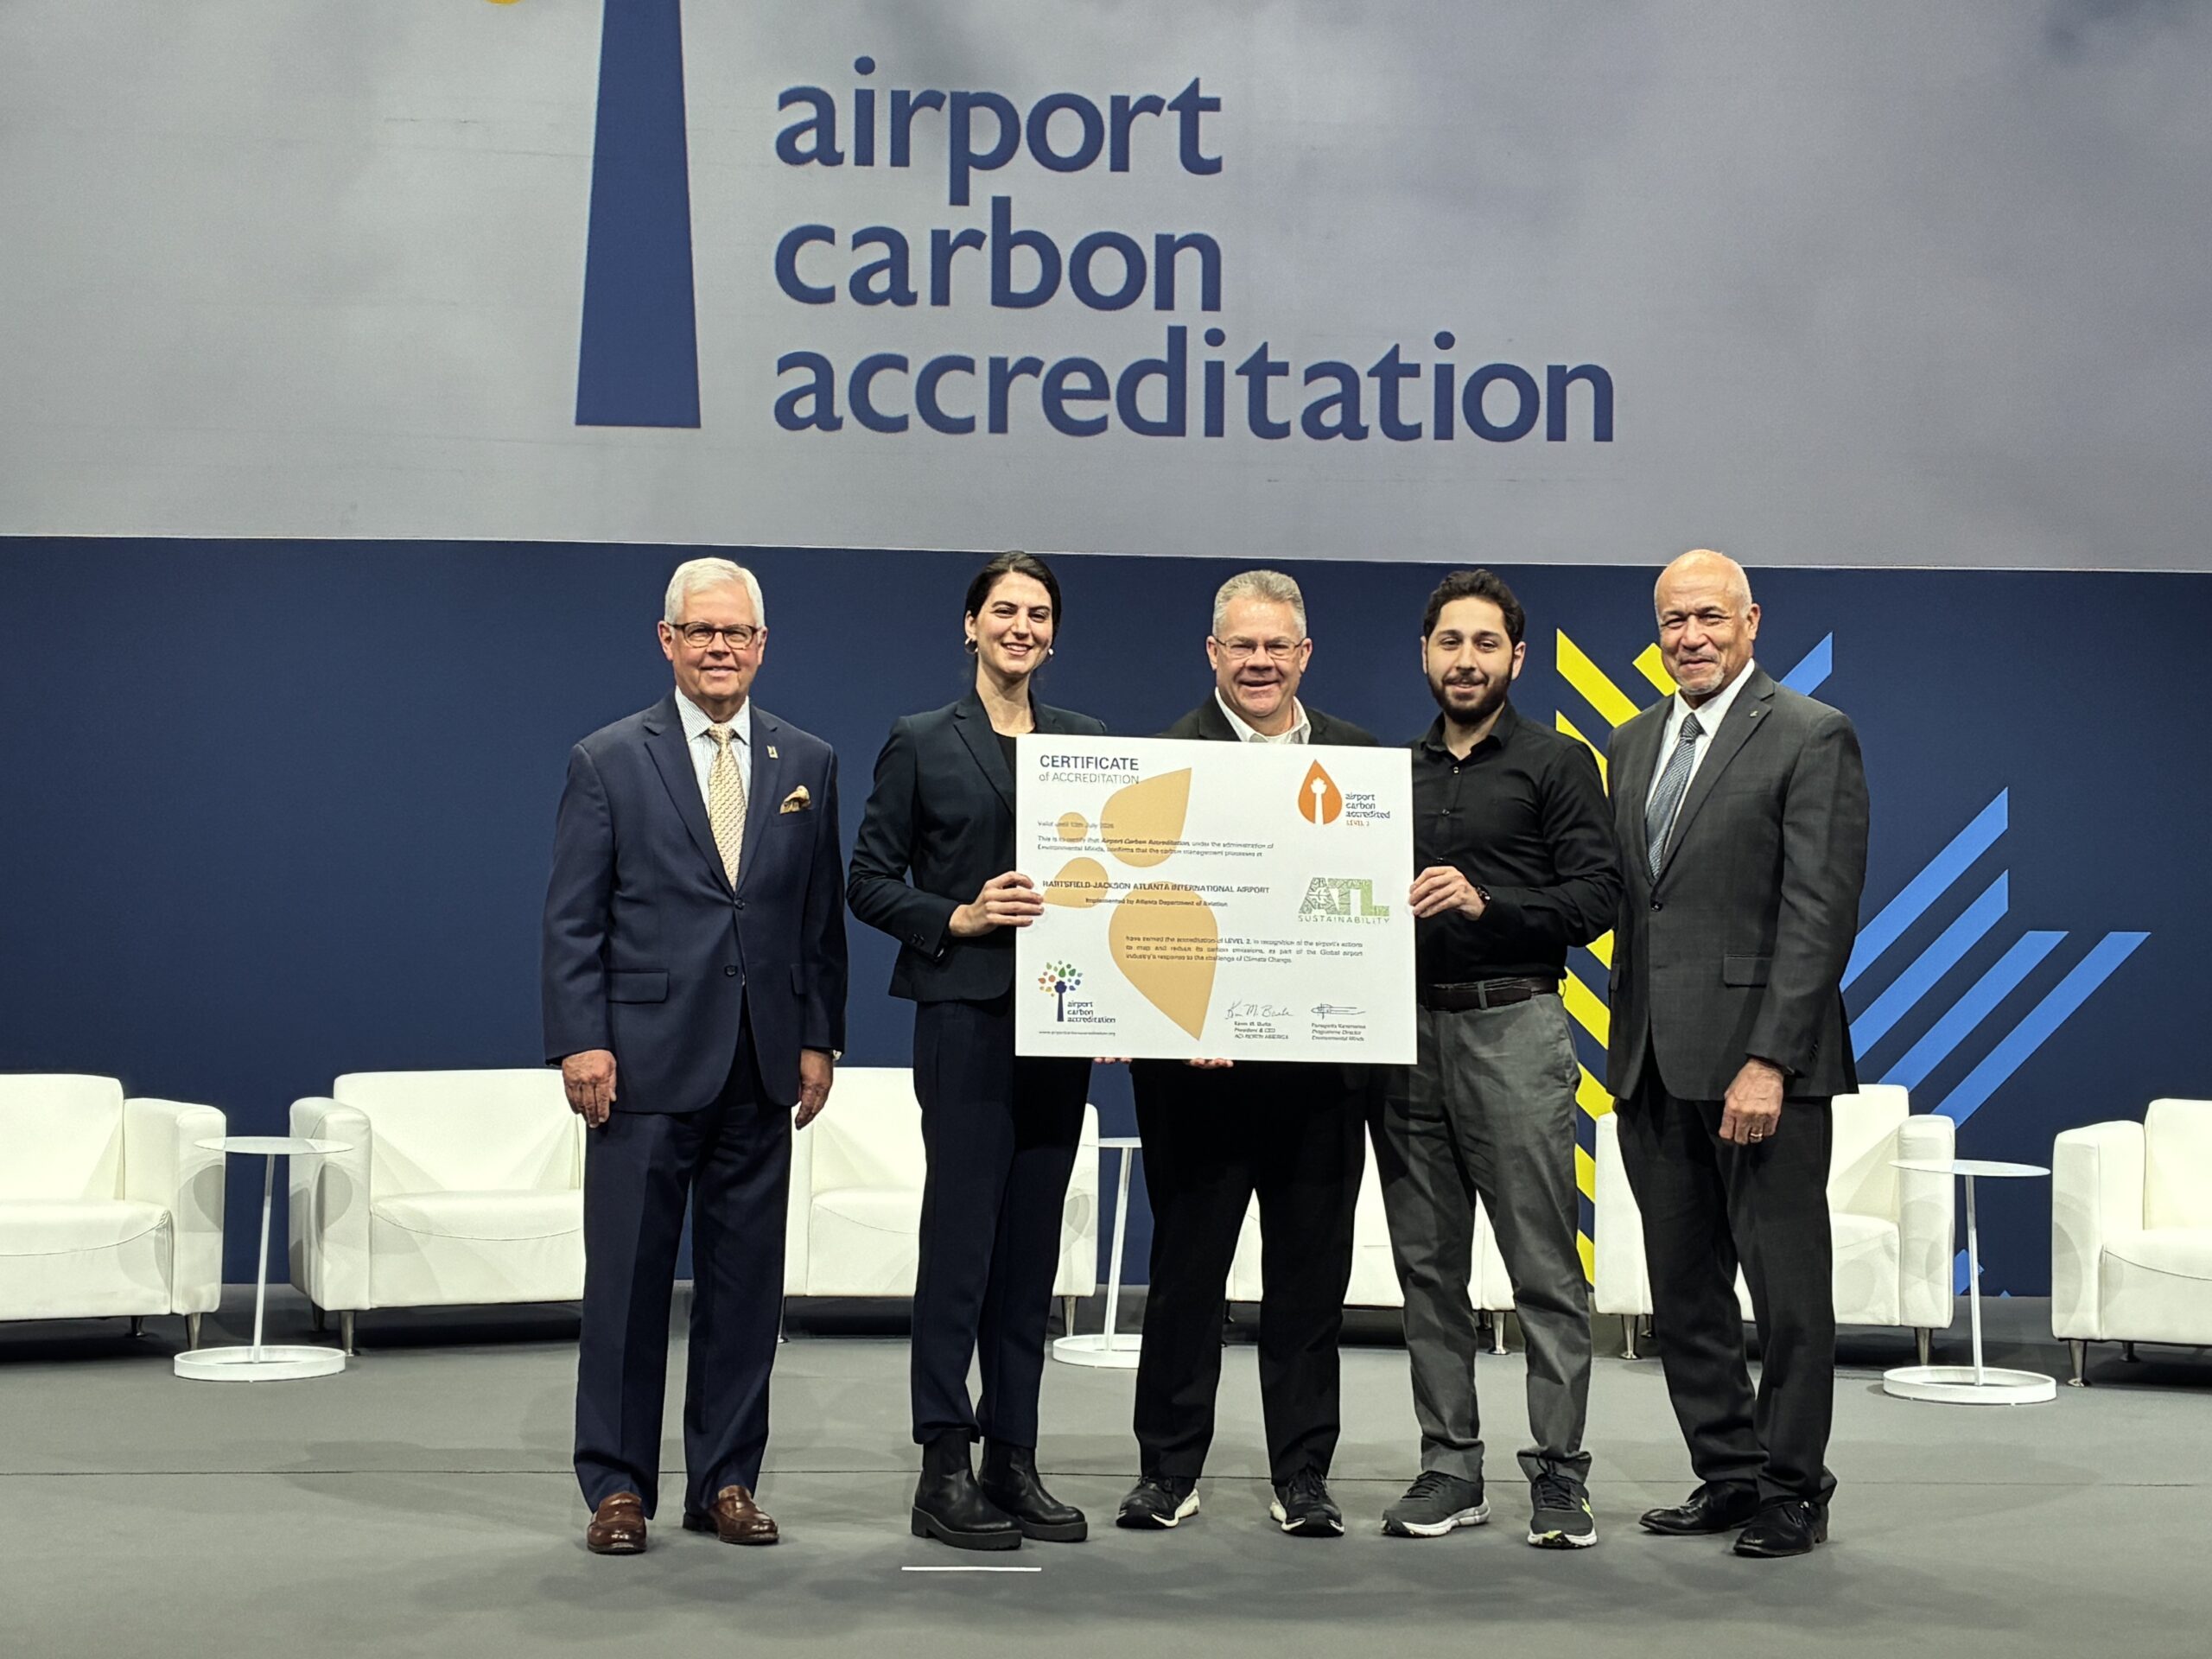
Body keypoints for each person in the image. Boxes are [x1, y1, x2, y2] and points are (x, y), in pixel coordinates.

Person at [543, 557, 849, 1556]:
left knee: (745, 1290)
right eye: (702, 631)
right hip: (639, 1067)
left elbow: (817, 920)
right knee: (628, 1290)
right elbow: (574, 919)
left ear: (762, 645)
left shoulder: (808, 760)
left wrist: (817, 1036)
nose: (721, 647)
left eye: (738, 633)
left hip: (762, 1065)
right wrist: (581, 1039)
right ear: (667, 640)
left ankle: (725, 1480)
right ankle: (616, 1487)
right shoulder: (606, 760)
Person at [1604, 549, 1869, 1560]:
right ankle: (1727, 1475)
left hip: (1763, 1073)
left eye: (1709, 617)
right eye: (1673, 621)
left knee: (1788, 1296)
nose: (1691, 637)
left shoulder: (1810, 733)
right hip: (1650, 1065)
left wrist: (1770, 1061)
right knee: (1684, 1293)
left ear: (1751, 621)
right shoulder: (1630, 742)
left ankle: (1793, 1489)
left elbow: (1818, 914)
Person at [848, 551, 1105, 1552]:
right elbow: (869, 880)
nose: (1021, 627)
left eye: (1038, 614)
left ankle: (1013, 1458)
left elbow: (1117, 889)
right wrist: (954, 914)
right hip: (965, 1017)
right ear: (970, 625)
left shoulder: (1087, 745)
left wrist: (1121, 1007)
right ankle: (942, 1465)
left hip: (1064, 1027)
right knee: (959, 1250)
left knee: (1030, 1256)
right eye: (1004, 610)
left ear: (1054, 635)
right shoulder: (920, 740)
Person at [1116, 569, 1376, 1540]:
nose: (1258, 662)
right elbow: (1135, 915)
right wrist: (1169, 1020)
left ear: (1303, 655)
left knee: (1309, 1285)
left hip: (1321, 1080)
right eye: (1241, 646)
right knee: (1186, 1278)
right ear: (1212, 654)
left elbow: (1371, 917)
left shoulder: (1363, 766)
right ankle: (1167, 1470)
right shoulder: (1158, 764)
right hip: (1195, 1080)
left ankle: (1302, 1475)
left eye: (1276, 646)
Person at [1376, 569, 1619, 1548]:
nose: (1465, 660)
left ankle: (1559, 1474)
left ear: (1515, 658)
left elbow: (1596, 900)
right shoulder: (1387, 776)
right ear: (1425, 654)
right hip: (1403, 1039)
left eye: (1485, 644)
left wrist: (1489, 903)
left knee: (1543, 1267)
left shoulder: (1558, 764)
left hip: (1515, 1027)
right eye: (1450, 642)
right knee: (1427, 1269)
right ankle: (1450, 1468)